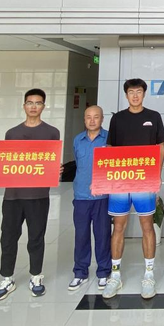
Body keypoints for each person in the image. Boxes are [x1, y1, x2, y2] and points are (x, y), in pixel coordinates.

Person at [0, 88, 61, 301]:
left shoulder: (52, 132)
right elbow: (6, 161)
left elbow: (51, 160)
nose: (33, 106)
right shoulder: (12, 133)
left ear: (43, 107)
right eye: (30, 103)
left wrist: (55, 170)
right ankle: (7, 278)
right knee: (8, 237)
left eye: (38, 103)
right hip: (12, 196)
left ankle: (36, 276)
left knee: (36, 237)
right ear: (24, 106)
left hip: (38, 195)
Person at [103, 78, 164, 300]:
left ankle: (149, 275)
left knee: (147, 226)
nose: (135, 95)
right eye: (131, 92)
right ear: (126, 95)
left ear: (144, 94)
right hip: (120, 181)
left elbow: (160, 147)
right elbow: (110, 147)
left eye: (139, 91)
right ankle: (115, 275)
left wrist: (156, 175)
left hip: (145, 180)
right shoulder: (118, 119)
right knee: (118, 227)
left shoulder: (153, 117)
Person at [69, 105, 112, 292]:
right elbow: (79, 164)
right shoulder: (77, 140)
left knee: (102, 235)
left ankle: (103, 272)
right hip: (81, 196)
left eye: (96, 117)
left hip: (103, 196)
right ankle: (80, 272)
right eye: (88, 117)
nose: (92, 120)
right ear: (84, 119)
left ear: (102, 119)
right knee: (81, 235)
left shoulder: (110, 139)